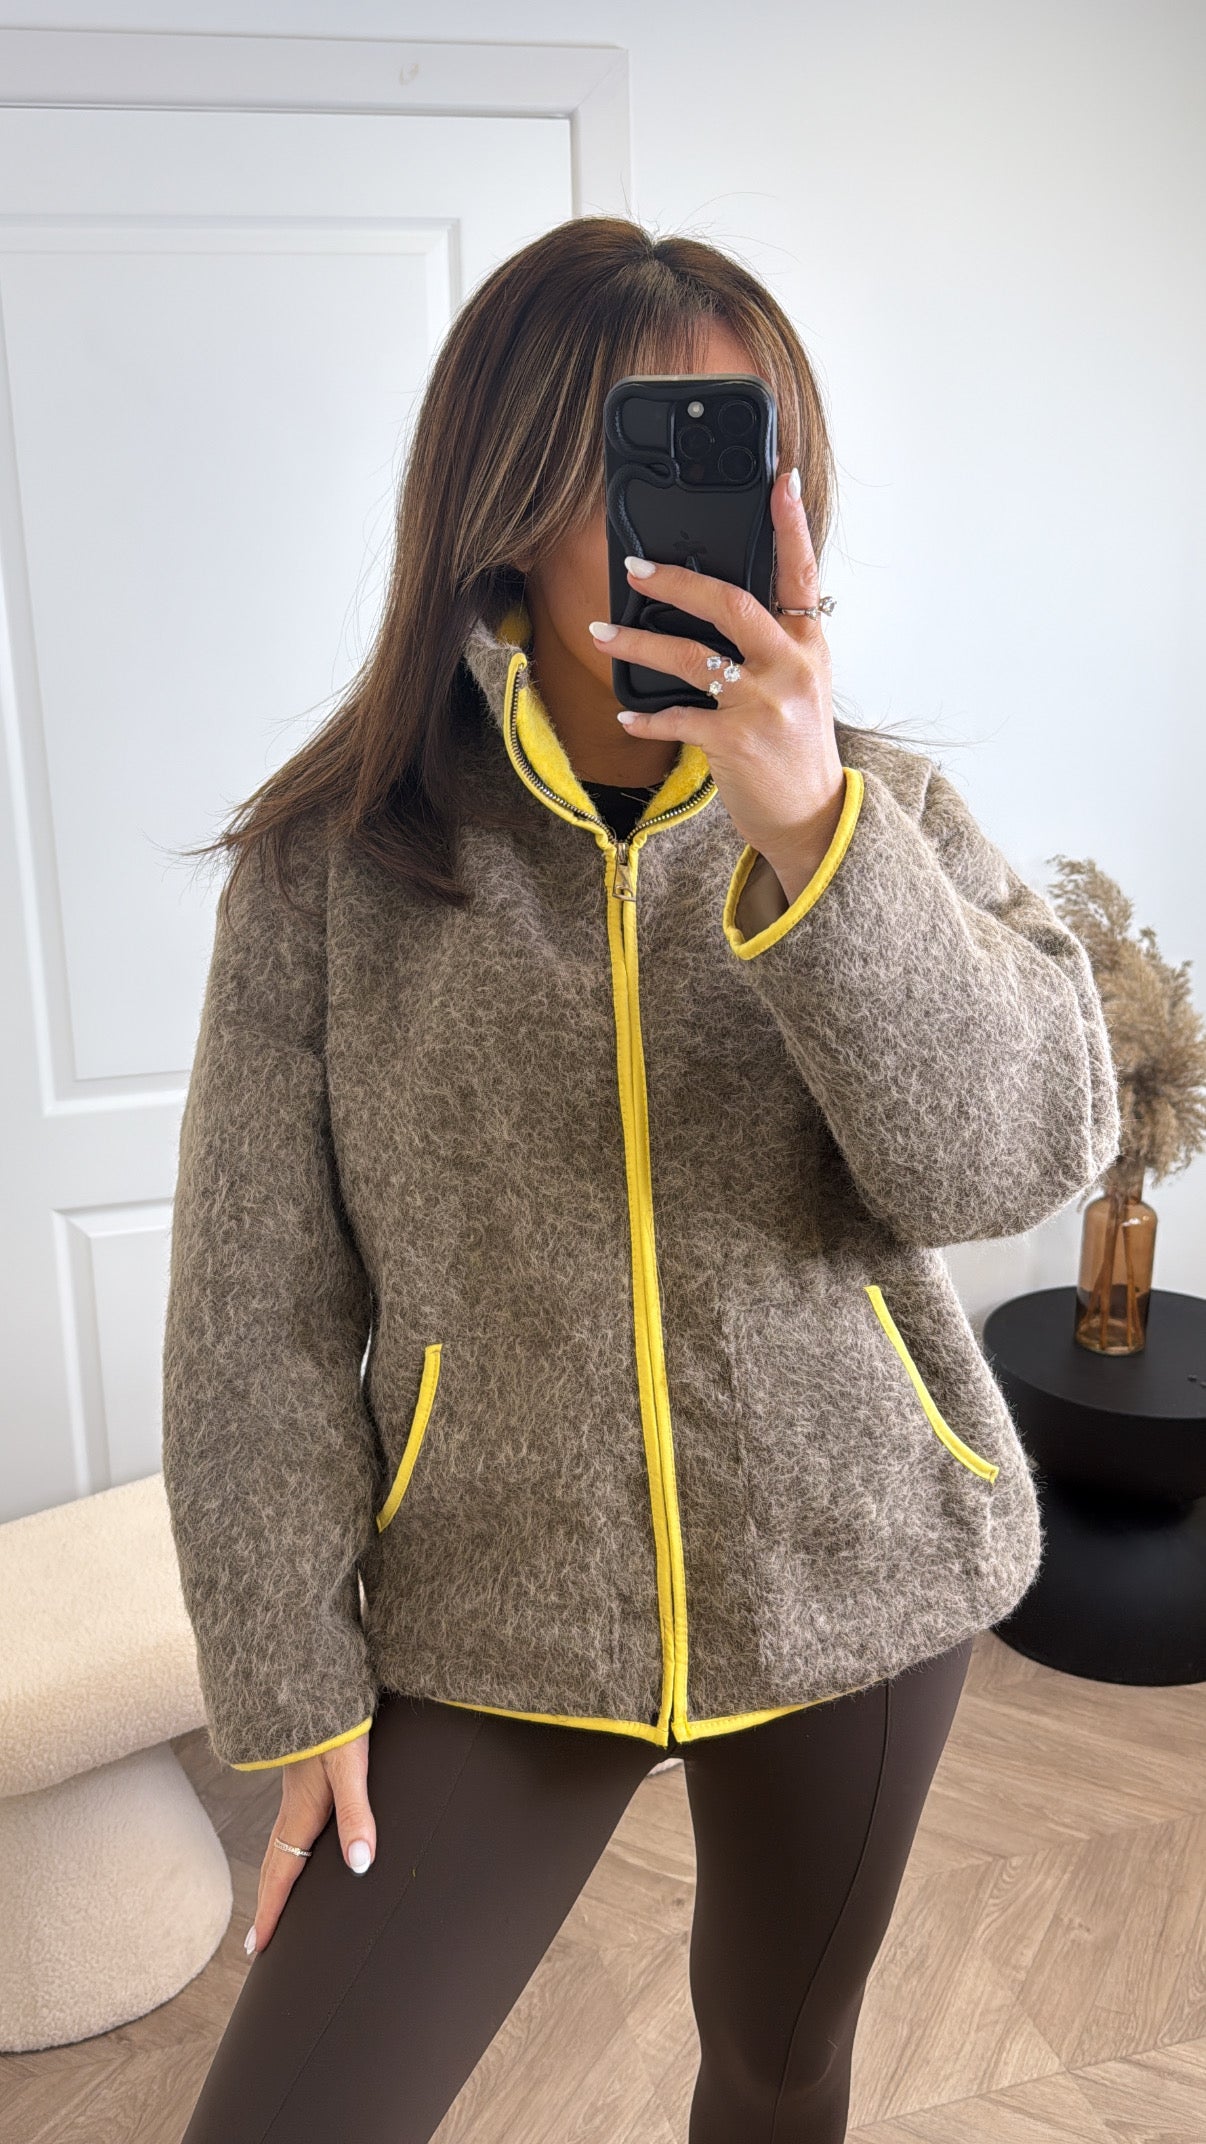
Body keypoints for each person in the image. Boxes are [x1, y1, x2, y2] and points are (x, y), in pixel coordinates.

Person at [161, 216, 1120, 2144]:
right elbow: (253, 1310)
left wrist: (813, 842)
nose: (737, 513)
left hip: (853, 1568)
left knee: (776, 2064)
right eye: (659, 456)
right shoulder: (334, 867)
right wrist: (293, 1680)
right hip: (490, 1604)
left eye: (761, 455)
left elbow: (1005, 1162)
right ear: (512, 501)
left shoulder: (886, 815)